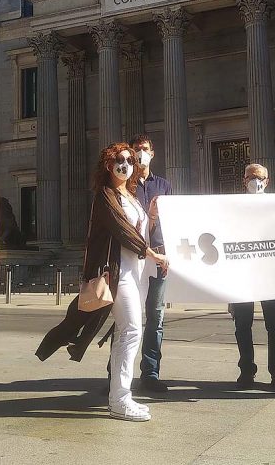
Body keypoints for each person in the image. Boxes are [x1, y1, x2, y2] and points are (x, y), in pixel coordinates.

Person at [89, 143, 168, 421]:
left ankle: (120, 396)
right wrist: (153, 254)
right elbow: (122, 231)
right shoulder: (106, 195)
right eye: (120, 160)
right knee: (131, 331)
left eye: (130, 161)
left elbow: (141, 231)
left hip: (137, 272)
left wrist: (152, 218)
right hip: (117, 272)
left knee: (128, 332)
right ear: (108, 165)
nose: (126, 165)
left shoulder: (131, 195)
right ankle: (120, 399)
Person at [231, 163, 275, 391]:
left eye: (260, 177)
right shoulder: (234, 207)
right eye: (251, 177)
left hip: (269, 275)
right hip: (242, 274)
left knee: (274, 325)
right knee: (242, 325)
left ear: (268, 181)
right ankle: (246, 371)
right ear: (244, 181)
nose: (256, 181)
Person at [130, 134, 173, 393]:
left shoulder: (164, 186)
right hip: (132, 258)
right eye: (136, 149)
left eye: (144, 149)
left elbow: (173, 222)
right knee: (127, 316)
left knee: (155, 318)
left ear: (152, 153)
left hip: (158, 257)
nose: (140, 153)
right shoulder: (126, 184)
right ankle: (117, 373)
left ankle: (151, 373)